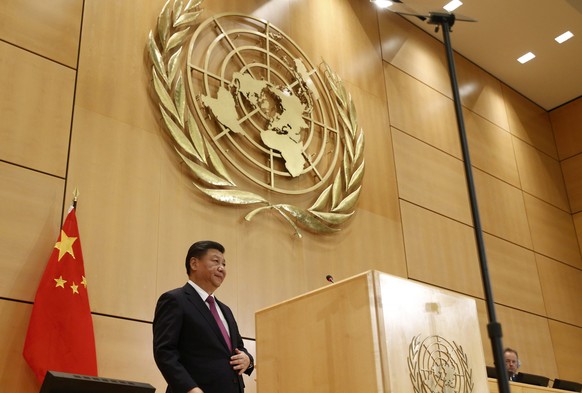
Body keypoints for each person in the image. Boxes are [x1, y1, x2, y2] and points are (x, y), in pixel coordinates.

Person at [153, 240, 254, 393]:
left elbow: (238, 348)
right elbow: (165, 352)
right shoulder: (175, 299)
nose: (222, 268)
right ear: (194, 264)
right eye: (215, 261)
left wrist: (248, 360)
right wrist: (189, 388)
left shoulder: (225, 310)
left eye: (224, 264)